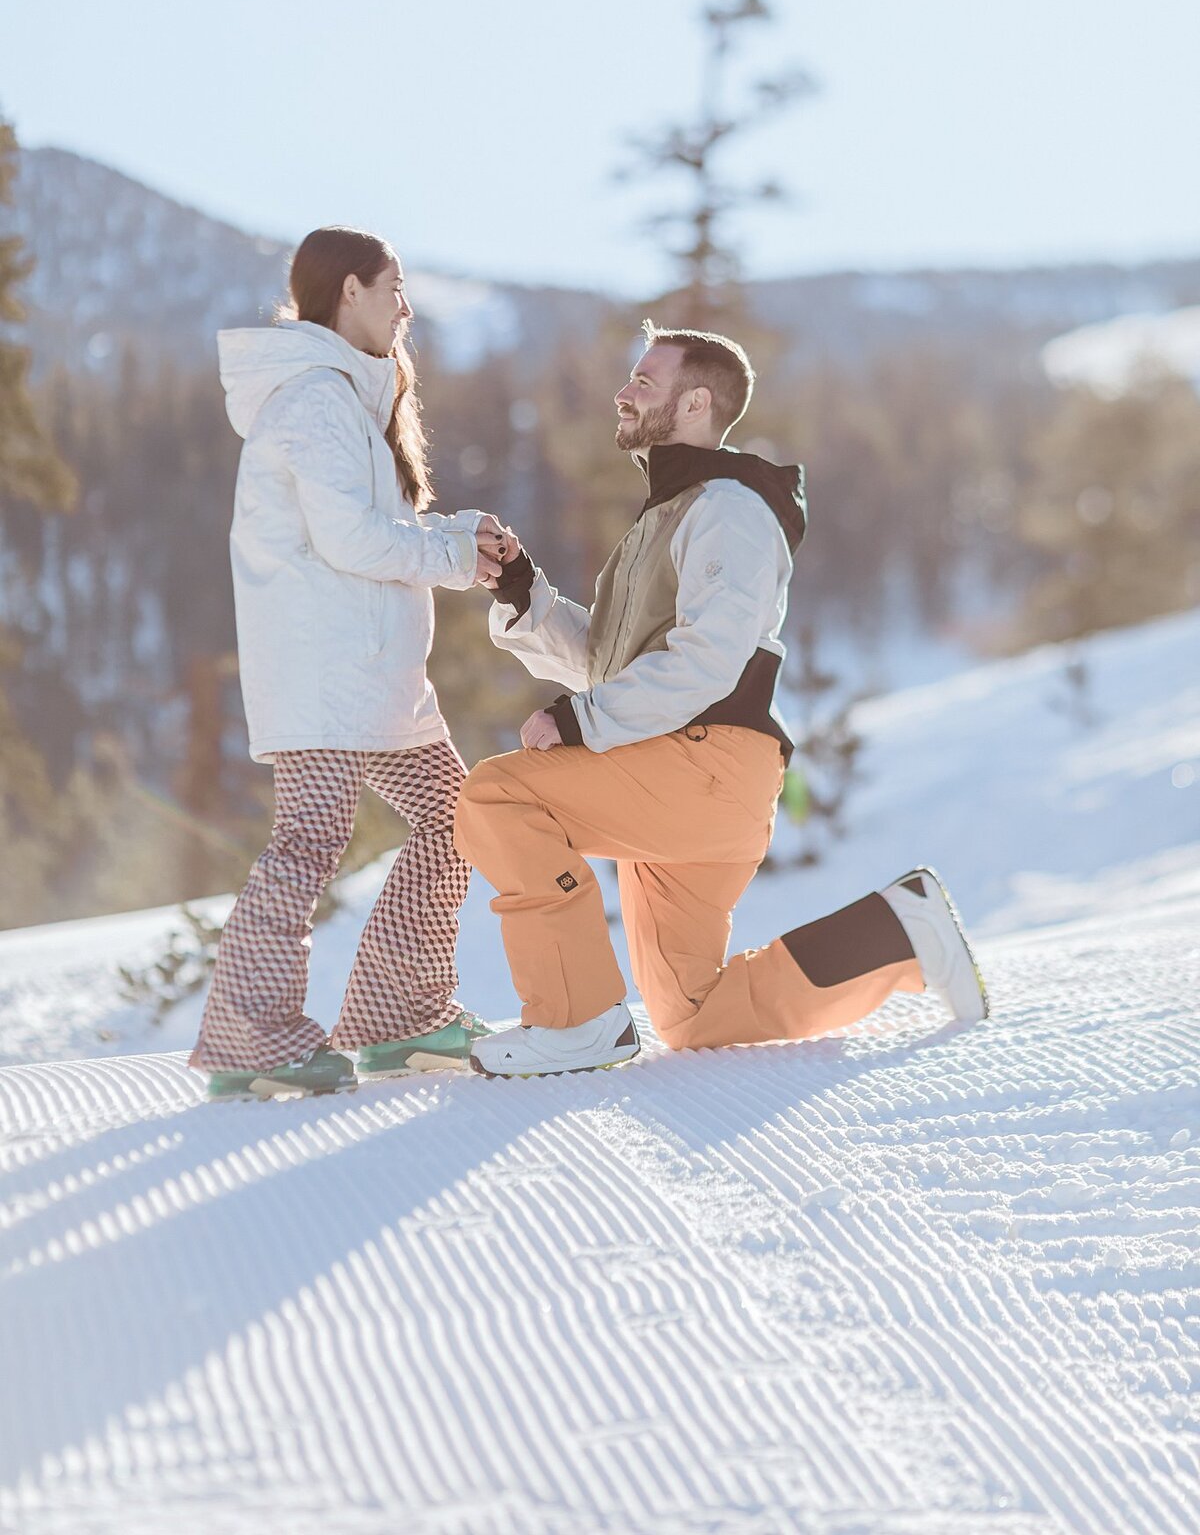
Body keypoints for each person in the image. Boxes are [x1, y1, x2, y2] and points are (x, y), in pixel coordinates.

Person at [455, 321, 989, 1078]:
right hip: (688, 778)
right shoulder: (677, 509)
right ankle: (898, 929)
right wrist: (522, 593)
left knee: (499, 795)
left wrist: (580, 721)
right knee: (692, 1013)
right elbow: (615, 663)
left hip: (704, 765)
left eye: (645, 381)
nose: (624, 391)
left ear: (697, 402)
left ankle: (573, 1021)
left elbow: (708, 658)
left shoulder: (731, 507)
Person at [189, 225, 517, 1099]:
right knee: (308, 840)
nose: (406, 308)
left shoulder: (345, 401)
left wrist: (458, 542)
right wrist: (451, 552)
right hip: (323, 673)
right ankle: (249, 1038)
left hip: (369, 677)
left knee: (458, 818)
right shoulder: (312, 402)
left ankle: (396, 1017)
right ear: (349, 293)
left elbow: (364, 536)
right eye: (394, 287)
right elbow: (347, 540)